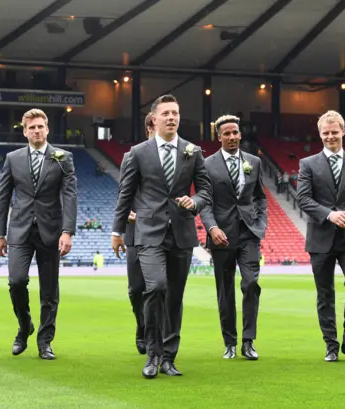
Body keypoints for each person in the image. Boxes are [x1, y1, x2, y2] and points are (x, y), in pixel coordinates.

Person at [111, 94, 213, 378]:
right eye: (166, 113)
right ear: (154, 119)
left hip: (182, 233)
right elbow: (125, 195)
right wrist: (117, 230)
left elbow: (205, 190)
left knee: (175, 297)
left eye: (176, 113)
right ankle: (153, 354)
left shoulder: (193, 151)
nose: (172, 117)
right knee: (155, 288)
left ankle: (169, 357)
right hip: (148, 233)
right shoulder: (137, 153)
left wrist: (196, 203)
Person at [0, 108, 77, 360]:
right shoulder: (13, 158)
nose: (37, 131)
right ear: (25, 131)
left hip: (51, 231)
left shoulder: (63, 158)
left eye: (41, 126)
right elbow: (3, 196)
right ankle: (24, 325)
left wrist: (67, 231)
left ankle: (45, 341)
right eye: (32, 127)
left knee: (49, 290)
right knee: (16, 281)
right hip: (19, 229)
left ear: (47, 129)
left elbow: (70, 195)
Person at [296, 110, 345, 363]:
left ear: (343, 132)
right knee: (325, 293)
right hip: (321, 238)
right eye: (326, 133)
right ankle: (331, 345)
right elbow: (303, 198)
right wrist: (330, 215)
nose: (330, 136)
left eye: (334, 132)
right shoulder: (307, 164)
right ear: (320, 134)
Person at [199, 114, 268, 360]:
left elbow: (260, 196)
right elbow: (205, 202)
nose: (232, 137)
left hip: (249, 233)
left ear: (240, 134)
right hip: (221, 236)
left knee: (251, 284)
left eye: (235, 133)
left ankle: (248, 342)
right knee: (225, 290)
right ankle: (229, 342)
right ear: (219, 137)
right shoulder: (206, 165)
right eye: (226, 134)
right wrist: (211, 228)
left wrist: (261, 224)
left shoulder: (254, 162)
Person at [120, 113, 156, 355]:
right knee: (135, 289)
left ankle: (157, 337)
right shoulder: (131, 156)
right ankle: (141, 324)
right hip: (136, 230)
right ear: (149, 128)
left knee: (158, 288)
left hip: (163, 230)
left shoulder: (178, 155)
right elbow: (124, 191)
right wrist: (127, 215)